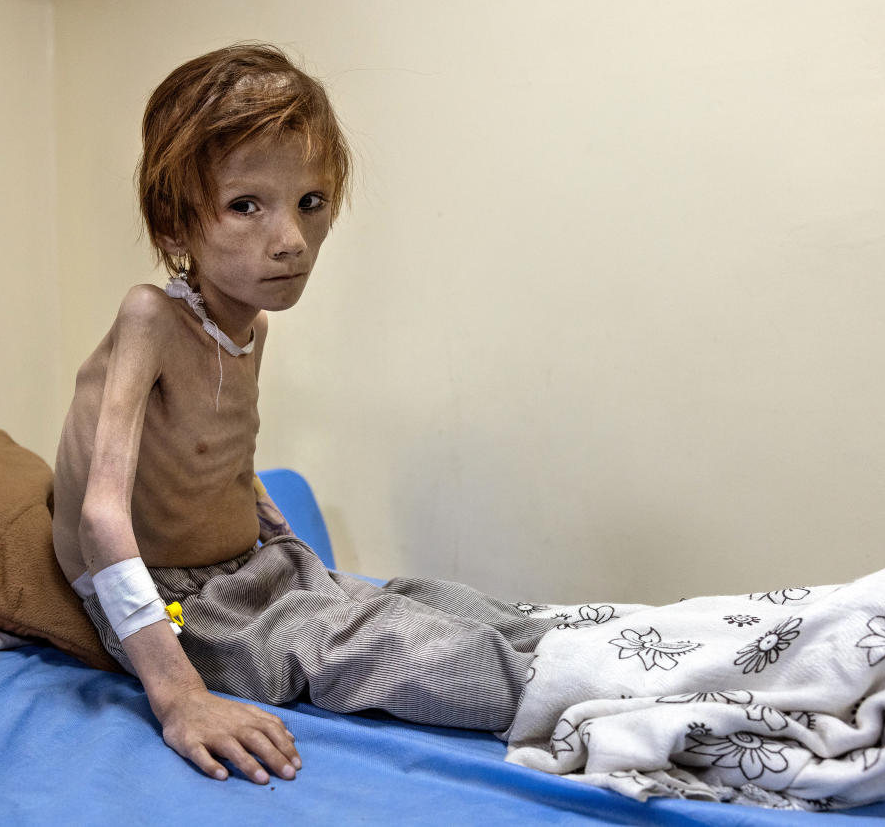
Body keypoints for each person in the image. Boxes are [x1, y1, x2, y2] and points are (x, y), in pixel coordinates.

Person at [53, 43, 553, 786]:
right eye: (245, 205)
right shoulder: (150, 317)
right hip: (174, 604)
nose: (289, 239)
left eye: (309, 203)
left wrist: (291, 552)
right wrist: (179, 694)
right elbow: (100, 516)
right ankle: (616, 695)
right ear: (172, 226)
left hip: (250, 570)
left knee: (451, 609)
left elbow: (222, 457)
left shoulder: (252, 322)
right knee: (396, 654)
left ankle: (619, 646)